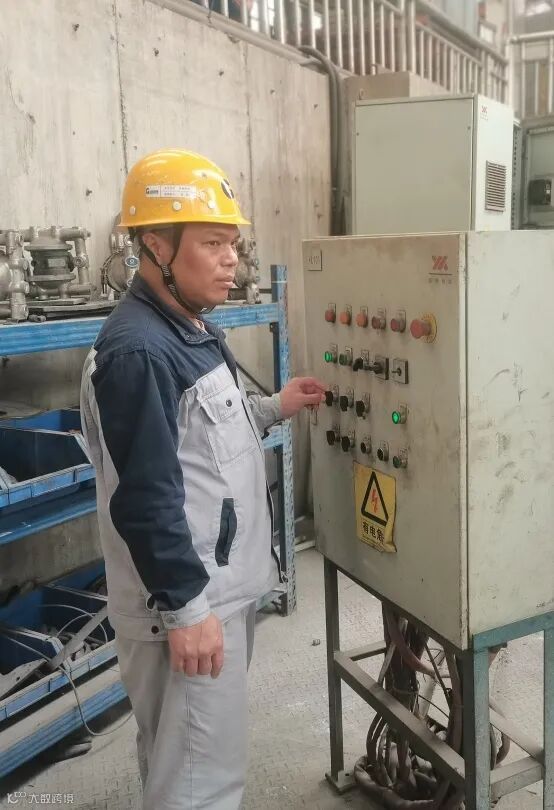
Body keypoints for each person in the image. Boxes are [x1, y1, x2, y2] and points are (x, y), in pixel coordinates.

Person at [80, 149, 325, 810]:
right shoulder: (139, 351)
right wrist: (187, 610)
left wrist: (274, 407)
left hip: (216, 591)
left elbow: (200, 436)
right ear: (156, 247)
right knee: (200, 785)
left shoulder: (187, 329)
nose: (231, 261)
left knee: (178, 761)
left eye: (233, 244)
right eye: (212, 243)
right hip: (186, 603)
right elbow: (146, 497)